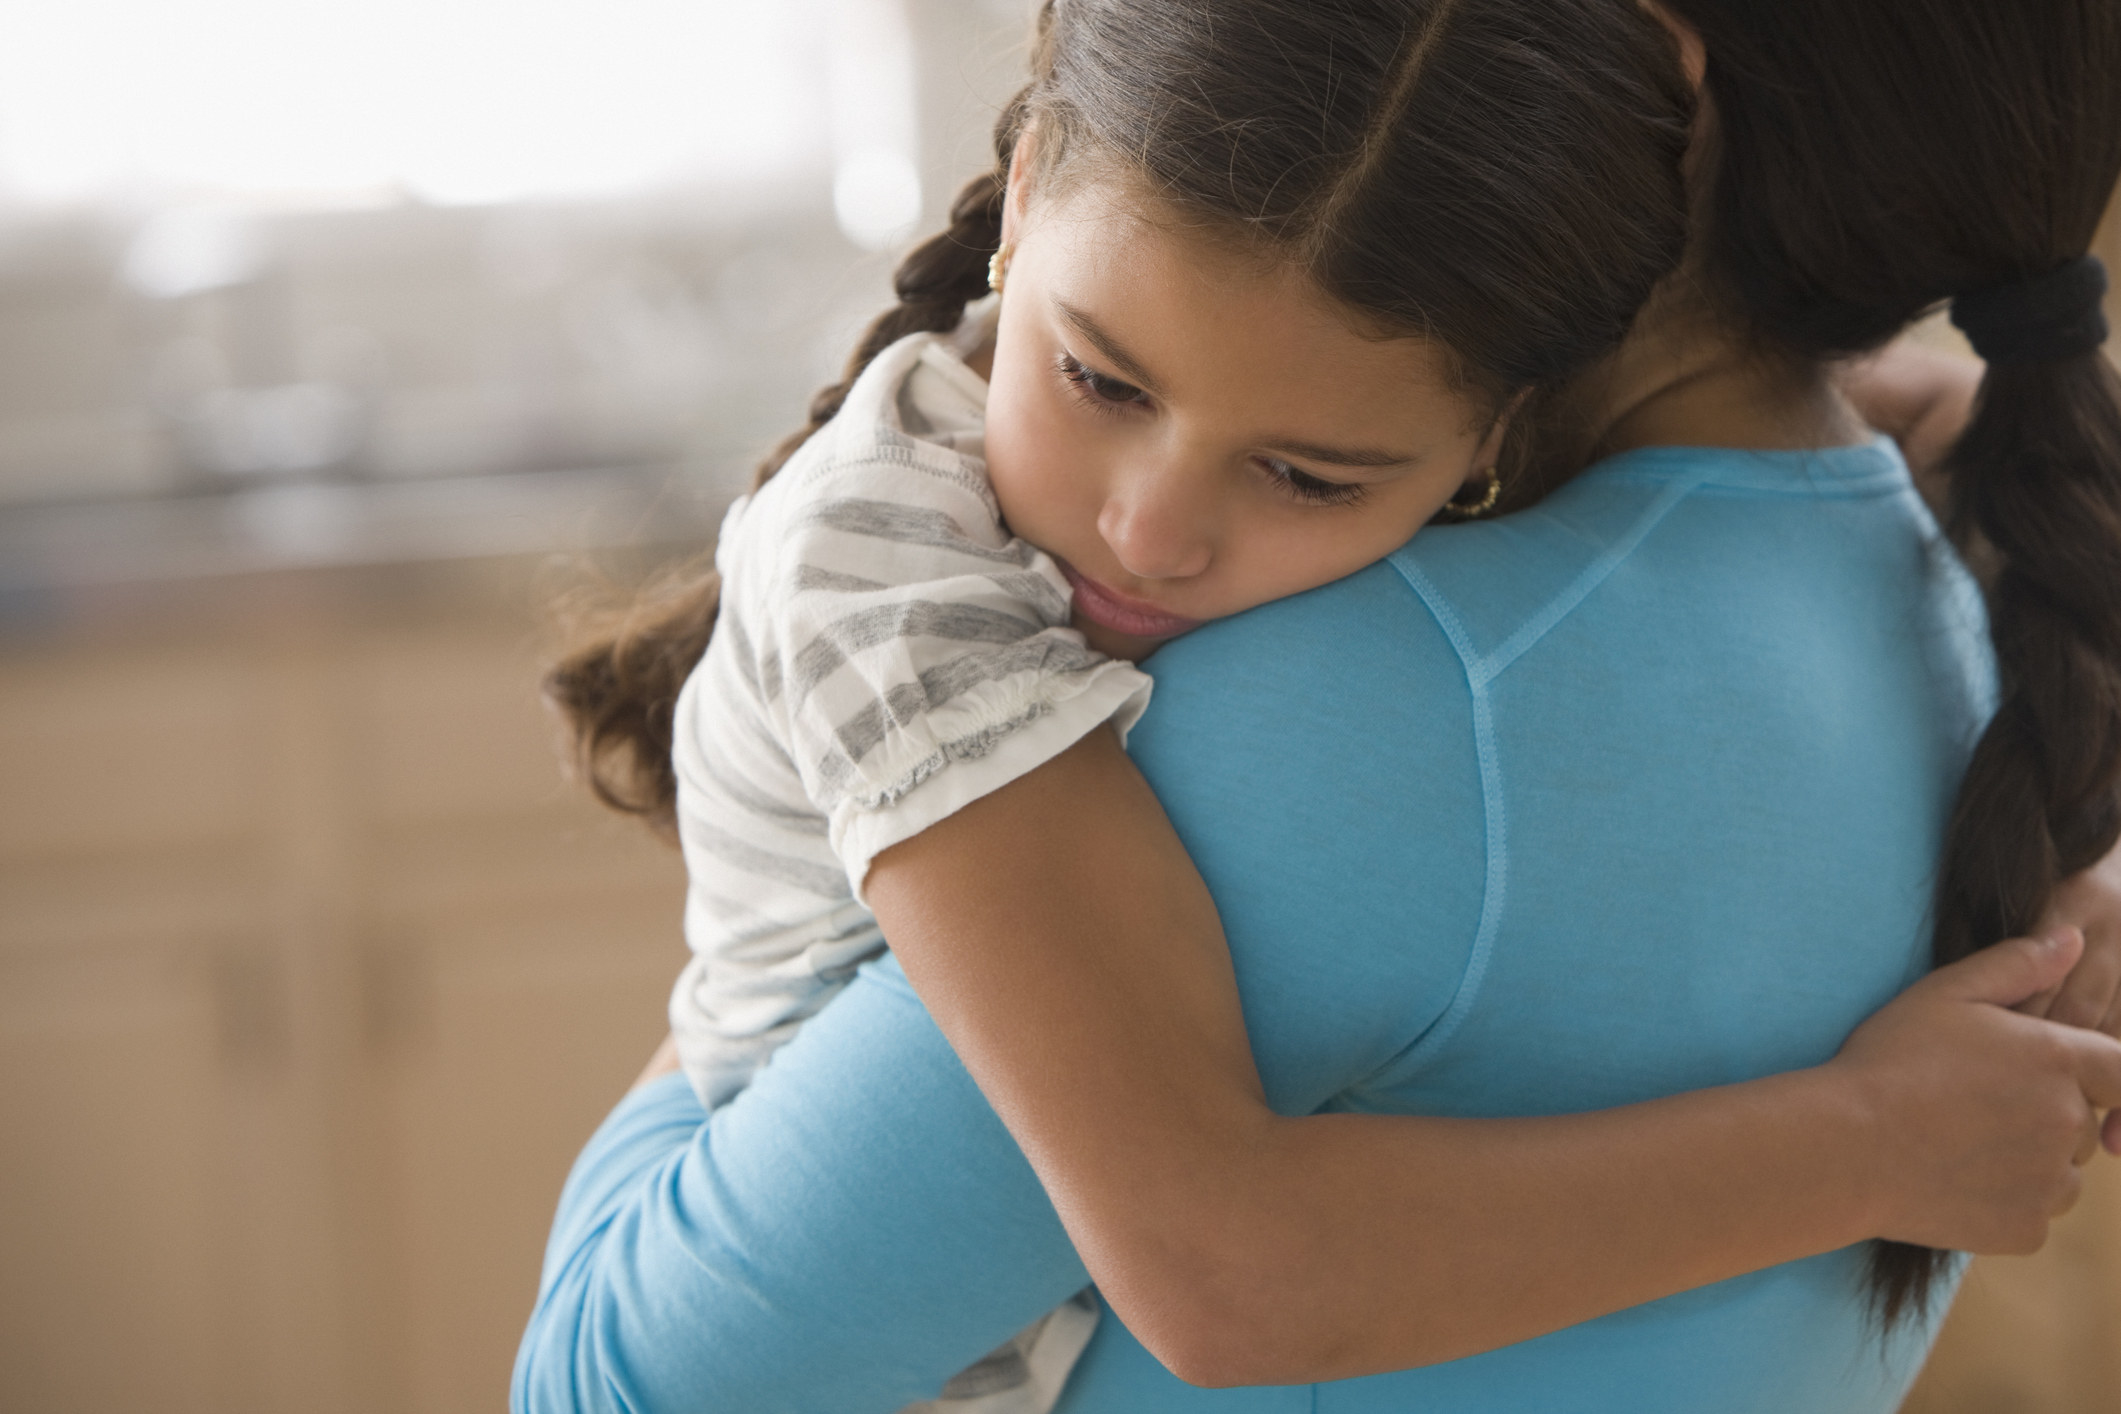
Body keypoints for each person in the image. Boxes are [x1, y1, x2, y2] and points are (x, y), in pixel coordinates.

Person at [518, 0, 2121, 1410]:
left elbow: (612, 1383)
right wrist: (1861, 1130)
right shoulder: (1906, 582)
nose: (1149, 531)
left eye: (1305, 473)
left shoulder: (1347, 700)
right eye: (1101, 381)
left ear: (1647, 84)